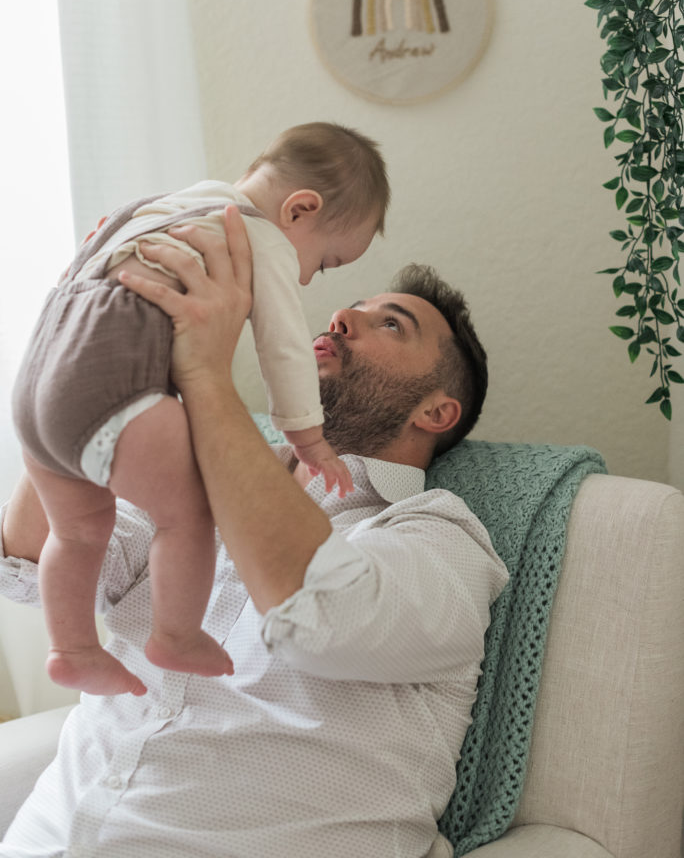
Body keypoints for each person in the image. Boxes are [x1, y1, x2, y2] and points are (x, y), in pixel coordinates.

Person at [0, 207, 508, 858]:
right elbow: (29, 559)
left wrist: (206, 377)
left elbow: (317, 612)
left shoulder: (442, 539)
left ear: (437, 410)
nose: (339, 319)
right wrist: (74, 335)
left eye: (390, 324)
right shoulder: (187, 487)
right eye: (349, 306)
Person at [10, 122, 389, 697]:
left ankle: (73, 649)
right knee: (189, 514)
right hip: (114, 390)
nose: (310, 277)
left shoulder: (156, 207)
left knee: (78, 529)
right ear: (299, 210)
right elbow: (284, 349)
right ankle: (176, 633)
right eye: (327, 261)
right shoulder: (259, 238)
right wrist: (308, 439)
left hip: (35, 385)